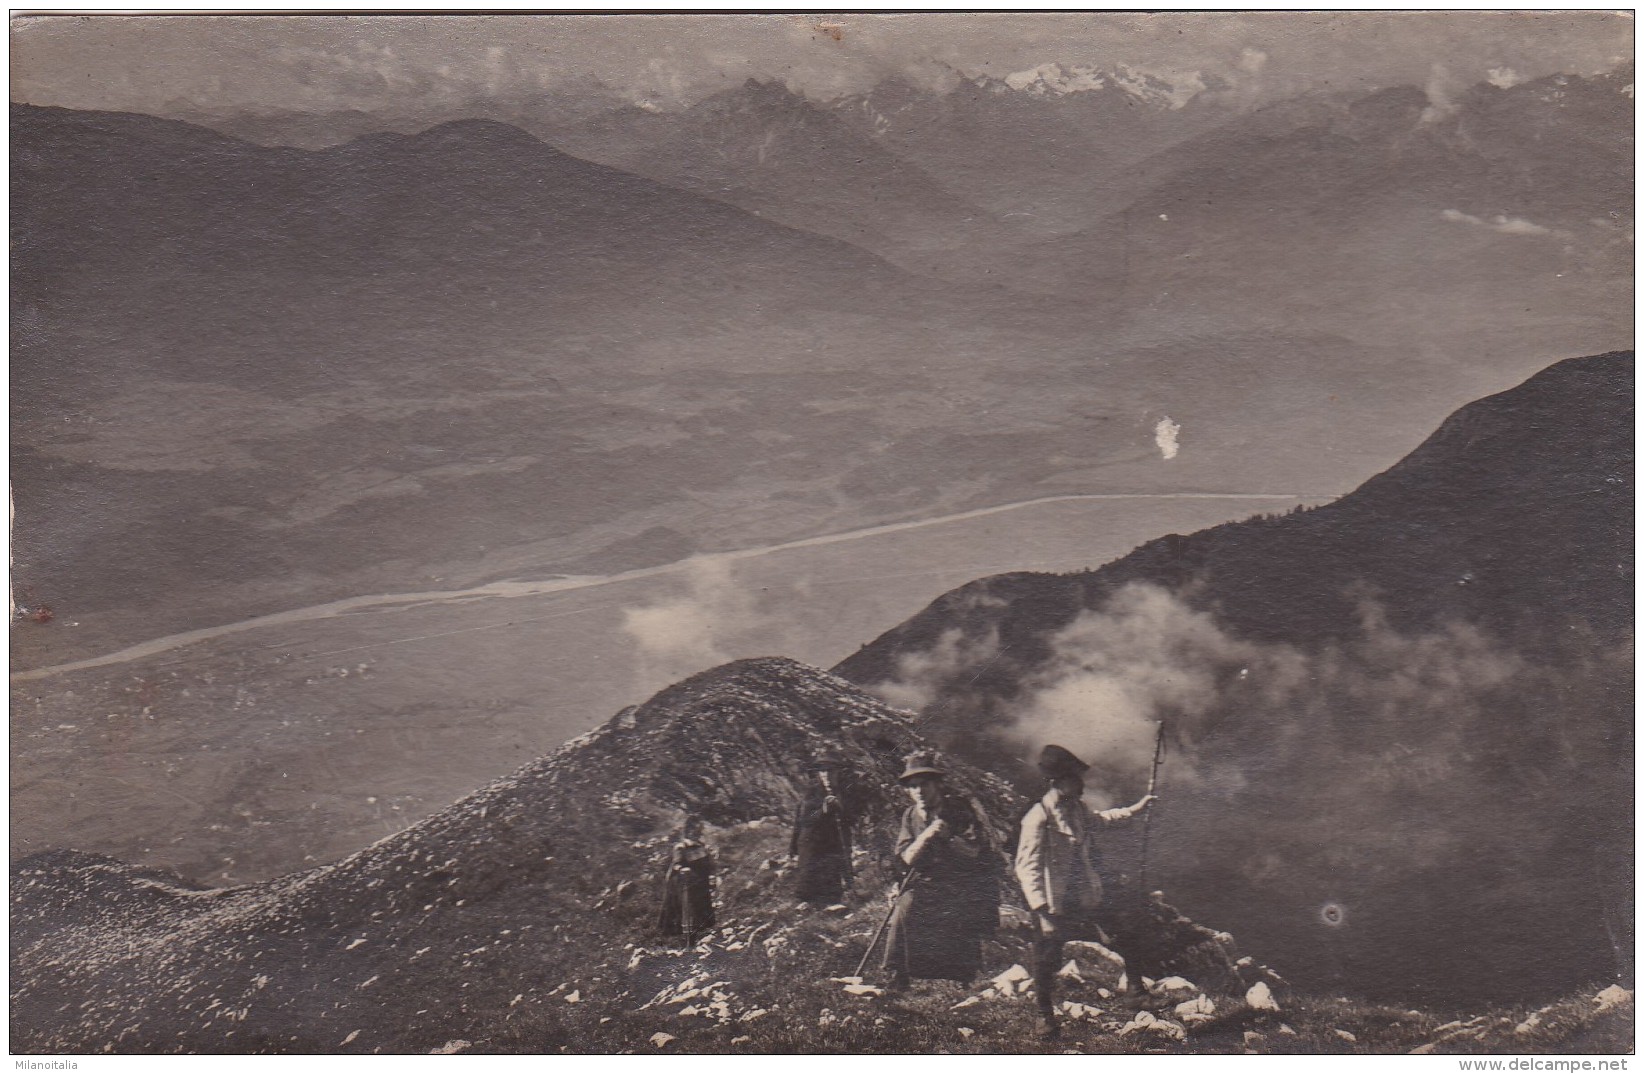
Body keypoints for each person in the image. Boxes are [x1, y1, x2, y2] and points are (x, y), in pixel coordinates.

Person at [1015, 743, 1156, 1038]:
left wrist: (1136, 810)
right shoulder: (1038, 817)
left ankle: (1135, 990)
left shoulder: (1076, 809)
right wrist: (1041, 912)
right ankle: (1044, 1017)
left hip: (1084, 892)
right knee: (1046, 957)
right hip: (1054, 900)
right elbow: (1026, 868)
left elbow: (1100, 821)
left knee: (1126, 929)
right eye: (1074, 778)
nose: (1081, 784)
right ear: (1058, 782)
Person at [880, 751, 994, 990]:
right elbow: (906, 857)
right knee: (905, 906)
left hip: (960, 879)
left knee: (959, 910)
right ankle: (896, 973)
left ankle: (963, 977)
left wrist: (950, 838)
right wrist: (928, 834)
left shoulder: (959, 809)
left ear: (938, 784)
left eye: (925, 784)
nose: (919, 791)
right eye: (913, 786)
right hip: (925, 879)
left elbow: (976, 851)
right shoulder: (910, 816)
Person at [790, 753, 854, 905]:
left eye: (830, 771)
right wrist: (823, 810)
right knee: (809, 878)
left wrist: (841, 809)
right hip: (812, 840)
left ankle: (832, 904)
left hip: (831, 841)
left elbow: (849, 817)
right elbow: (805, 819)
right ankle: (806, 907)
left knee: (831, 877)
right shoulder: (812, 791)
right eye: (823, 771)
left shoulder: (842, 790)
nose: (826, 775)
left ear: (837, 772)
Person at [658, 819, 715, 949]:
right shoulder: (681, 847)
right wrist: (682, 869)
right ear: (688, 831)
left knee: (700, 912)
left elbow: (709, 865)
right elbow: (677, 864)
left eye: (699, 831)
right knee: (688, 913)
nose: (697, 833)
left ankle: (700, 942)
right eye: (694, 831)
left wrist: (711, 873)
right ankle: (688, 945)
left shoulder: (702, 846)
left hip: (700, 884)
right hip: (685, 884)